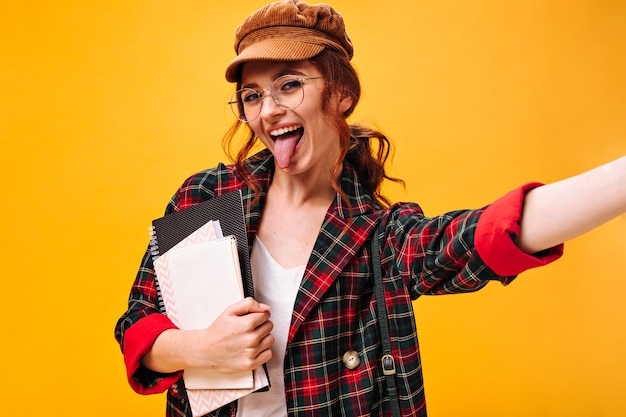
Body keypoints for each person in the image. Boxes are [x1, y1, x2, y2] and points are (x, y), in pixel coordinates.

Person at [114, 1, 626, 416]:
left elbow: (486, 236)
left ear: (340, 93)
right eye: (252, 96)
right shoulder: (205, 197)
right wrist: (199, 348)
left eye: (289, 84)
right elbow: (138, 324)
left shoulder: (383, 236)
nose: (268, 111)